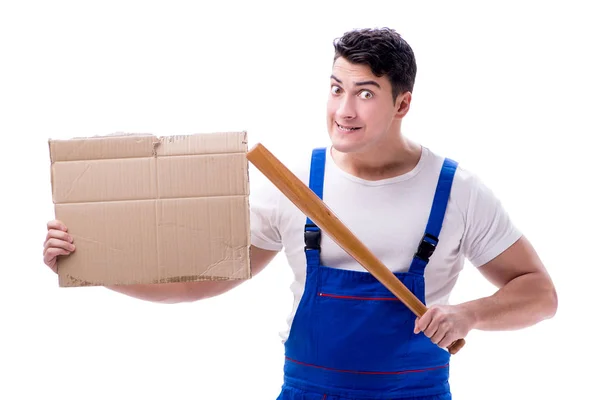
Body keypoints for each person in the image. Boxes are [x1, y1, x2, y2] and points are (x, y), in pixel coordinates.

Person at [43, 27, 558, 399]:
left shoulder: (458, 192)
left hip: (415, 394)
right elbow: (195, 282)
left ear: (402, 105)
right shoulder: (292, 185)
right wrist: (93, 267)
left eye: (365, 93)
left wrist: (470, 314)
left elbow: (540, 293)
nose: (343, 111)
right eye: (336, 88)